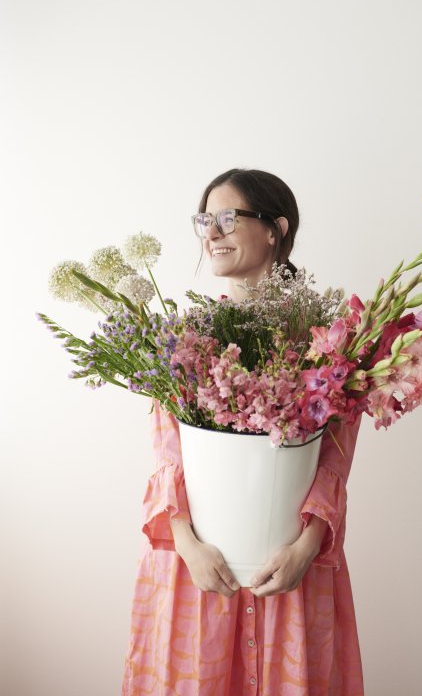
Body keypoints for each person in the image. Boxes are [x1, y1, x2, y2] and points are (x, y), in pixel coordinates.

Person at [121, 168, 364, 695]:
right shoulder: (183, 338)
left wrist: (305, 547)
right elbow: (168, 455)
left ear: (275, 228)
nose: (211, 233)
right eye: (204, 220)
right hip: (200, 573)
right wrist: (186, 543)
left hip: (290, 570)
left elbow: (334, 460)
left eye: (227, 218)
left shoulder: (326, 343)